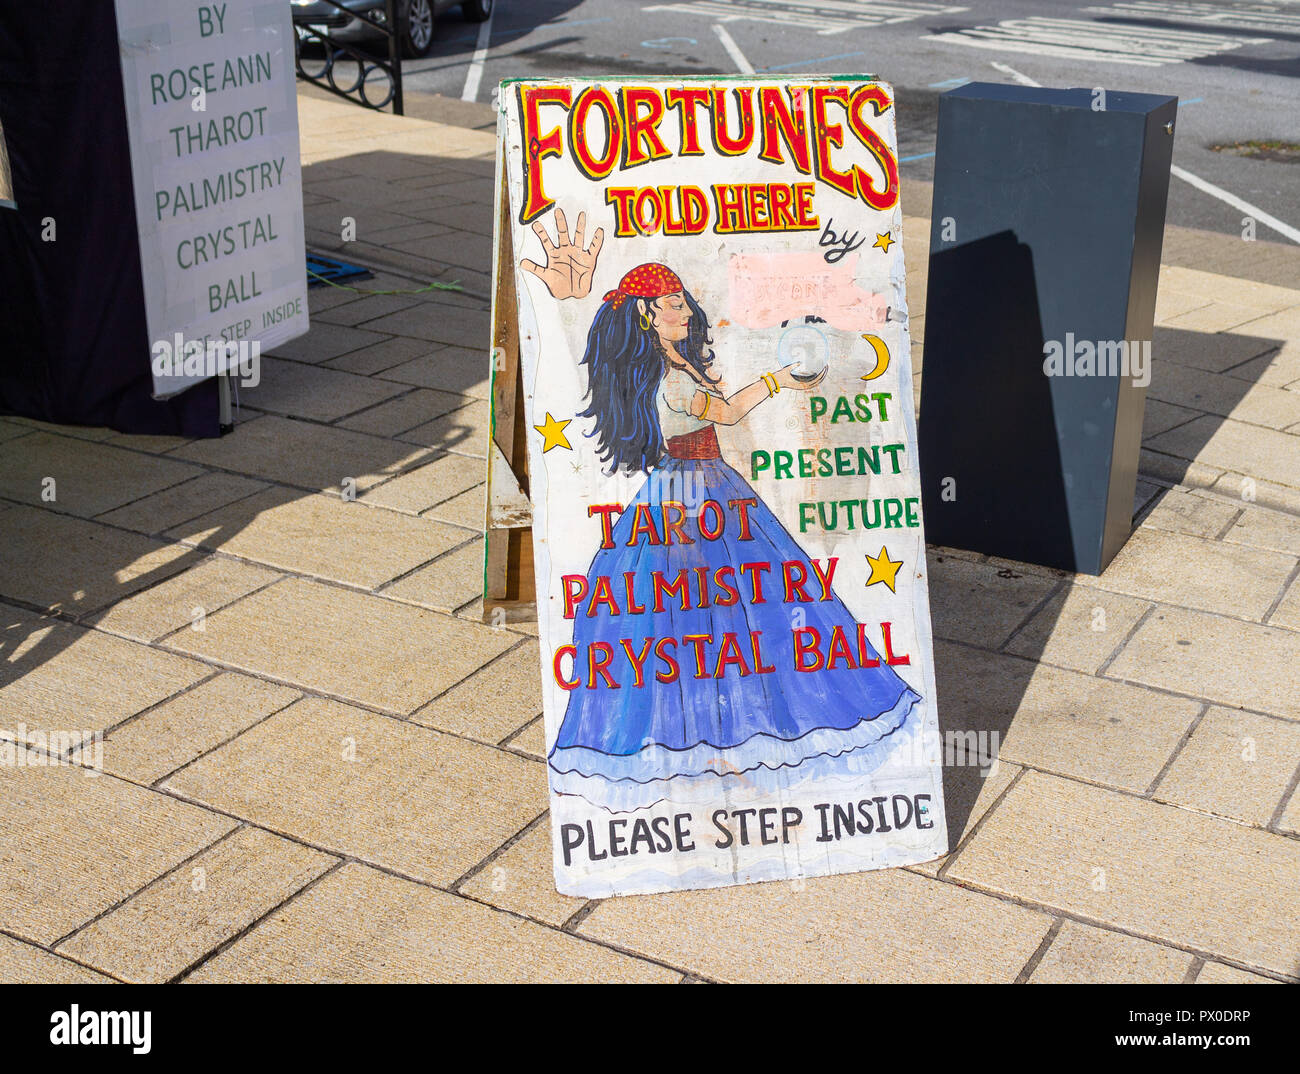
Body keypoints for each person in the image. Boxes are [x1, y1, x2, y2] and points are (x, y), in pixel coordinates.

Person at [524, 210, 920, 812]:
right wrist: (780, 377)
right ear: (645, 315)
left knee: (733, 612)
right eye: (674, 305)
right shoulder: (665, 375)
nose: (686, 312)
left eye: (684, 303)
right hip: (691, 495)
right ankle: (712, 739)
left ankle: (725, 736)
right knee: (706, 612)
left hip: (700, 487)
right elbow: (729, 413)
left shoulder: (674, 363)